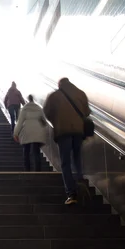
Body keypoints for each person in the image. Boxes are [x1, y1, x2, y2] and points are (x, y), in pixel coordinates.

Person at [43, 77, 91, 205]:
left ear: (59, 85)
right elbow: (86, 112)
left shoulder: (54, 95)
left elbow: (47, 112)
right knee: (77, 158)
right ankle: (80, 180)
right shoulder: (81, 93)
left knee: (65, 162)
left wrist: (57, 120)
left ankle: (72, 193)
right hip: (78, 132)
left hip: (63, 132)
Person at [13, 95, 48, 172]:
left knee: (26, 151)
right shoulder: (39, 109)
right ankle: (38, 169)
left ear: (27, 100)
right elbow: (44, 122)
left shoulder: (24, 109)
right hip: (37, 132)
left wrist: (15, 133)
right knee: (36, 151)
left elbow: (19, 122)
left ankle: (27, 169)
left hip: (27, 132)